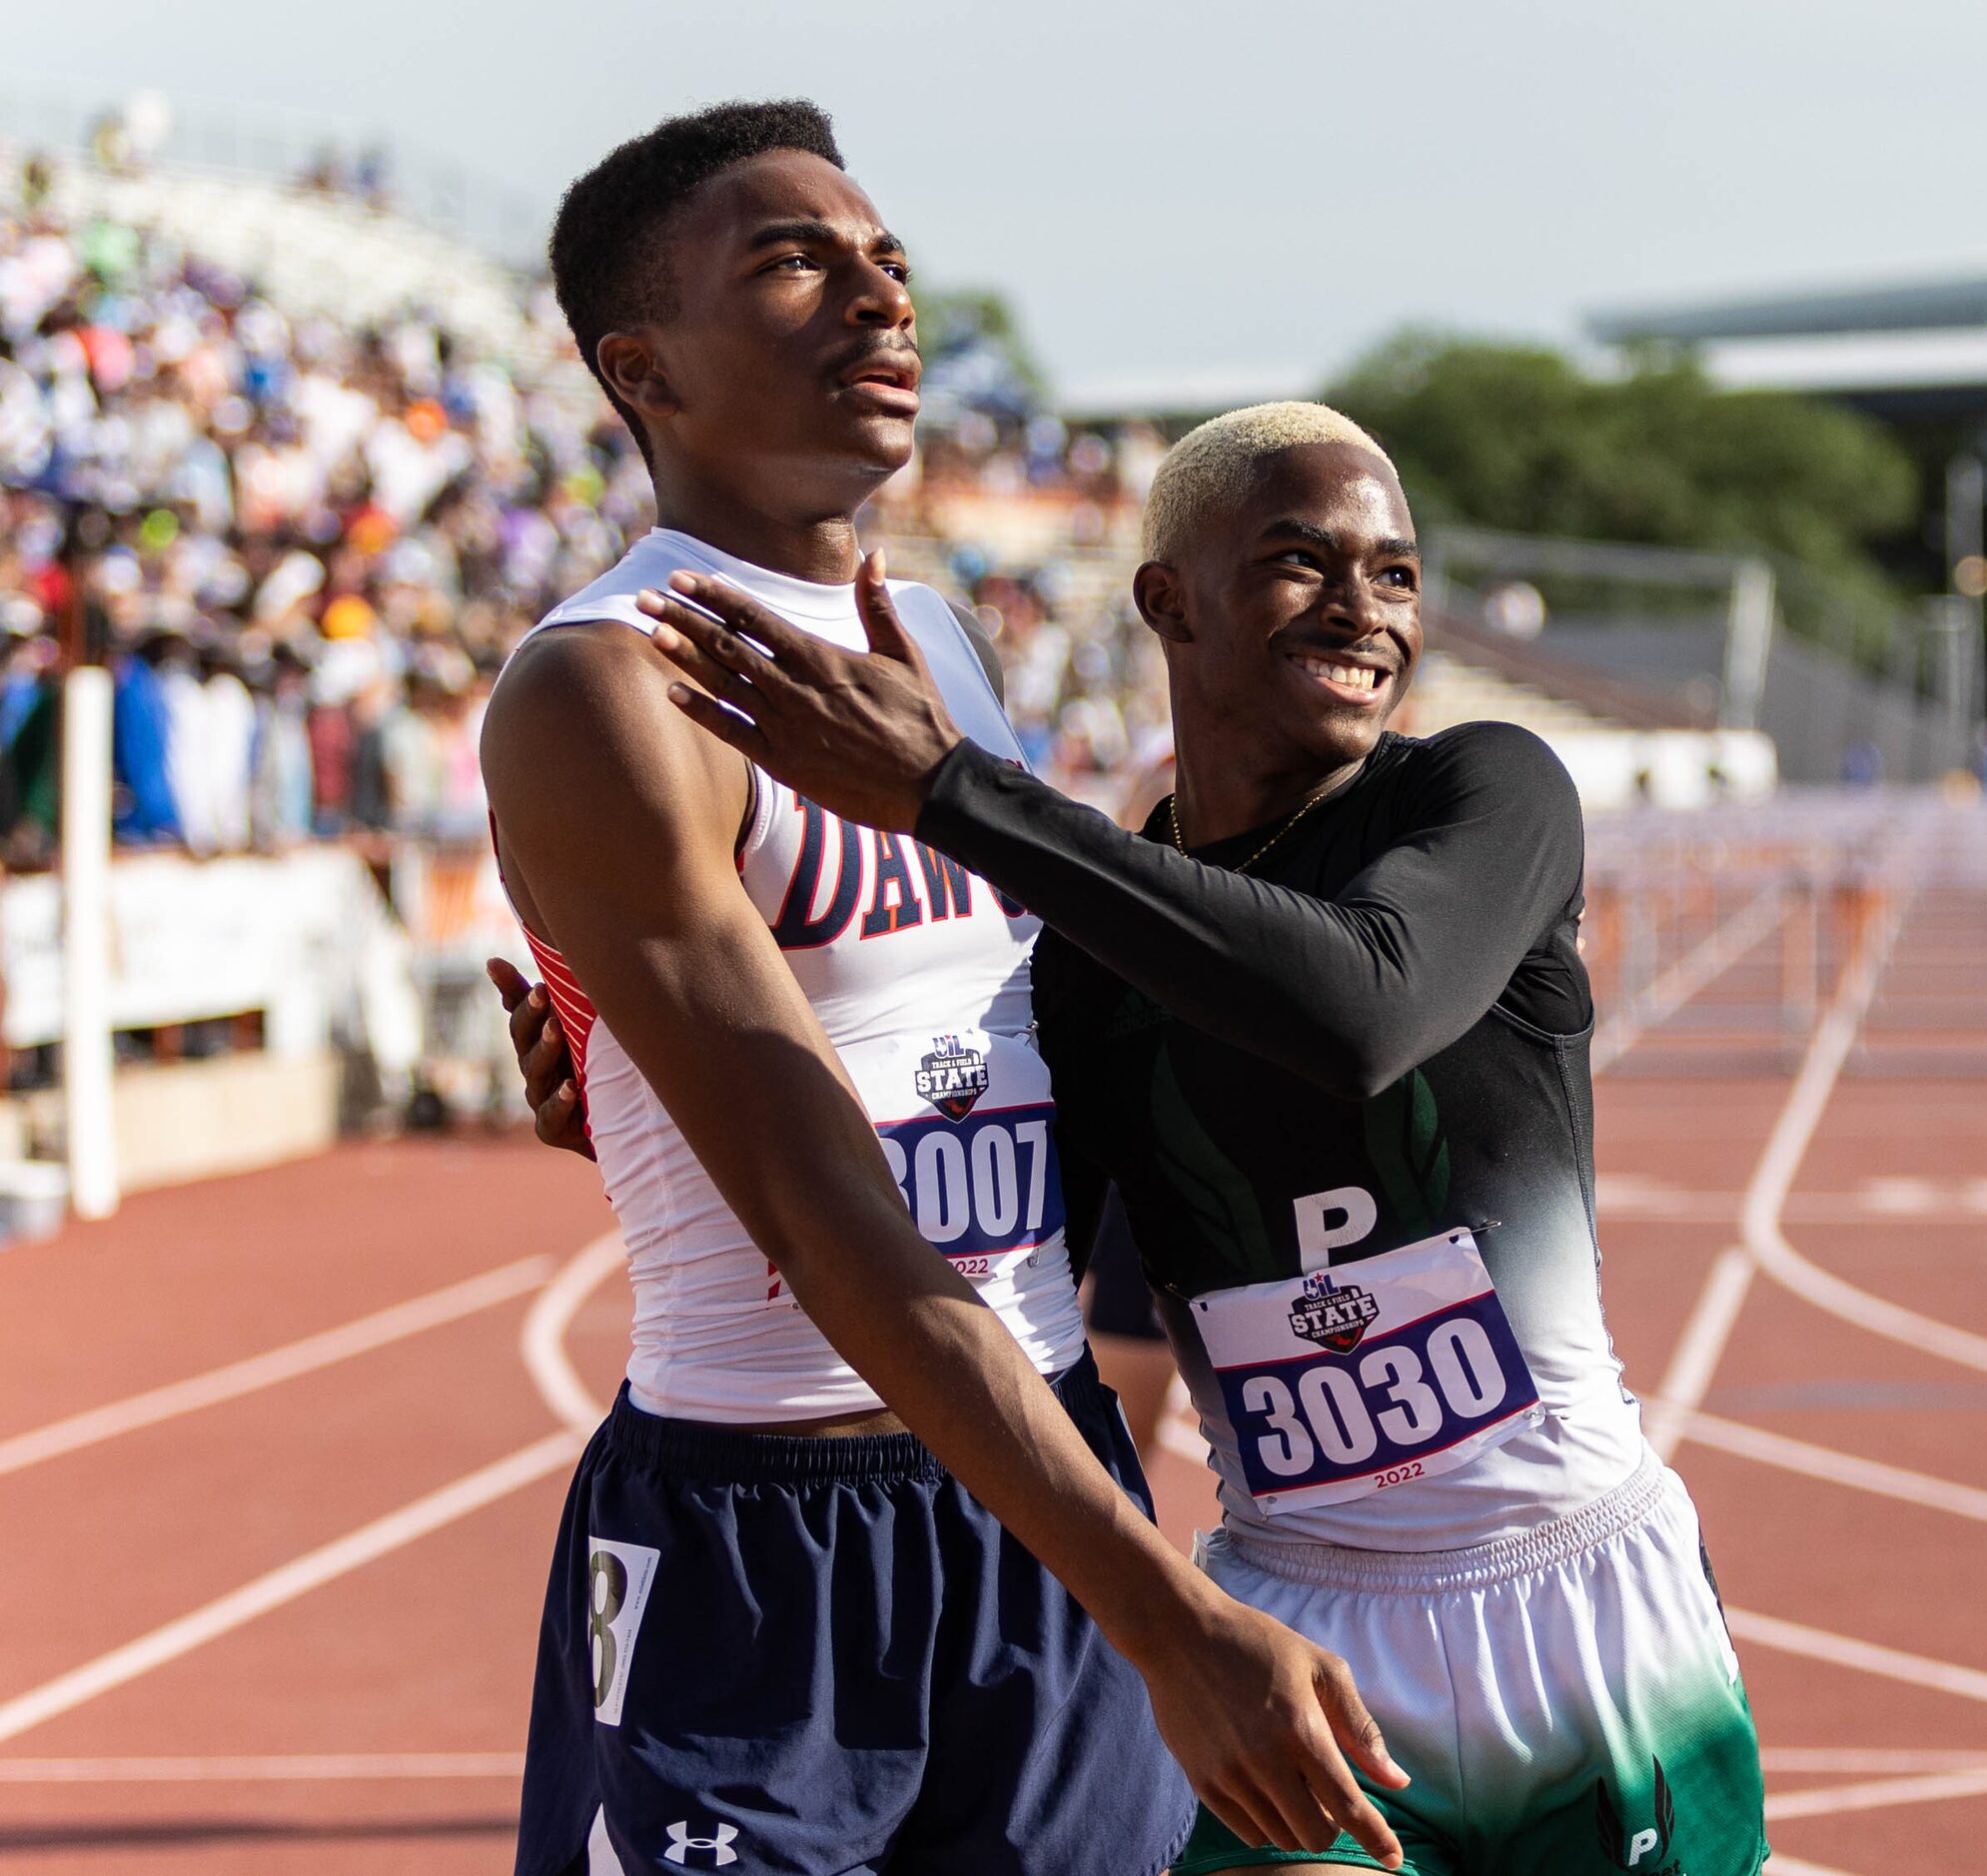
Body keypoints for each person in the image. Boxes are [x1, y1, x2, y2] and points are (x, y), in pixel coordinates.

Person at [622, 402, 1767, 1876]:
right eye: (1303, 561)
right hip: (1300, 1630)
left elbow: (1361, 1008)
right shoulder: (1091, 957)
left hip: (1581, 1613)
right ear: (1167, 598)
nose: (1365, 609)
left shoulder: (1484, 795)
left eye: (1398, 573)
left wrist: (953, 795)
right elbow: (972, 1227)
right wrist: (636, 1108)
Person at [482, 106, 1404, 1876]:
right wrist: (1166, 1608)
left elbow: (992, 1054)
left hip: (1036, 1479)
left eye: (888, 262)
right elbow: (826, 1205)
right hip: (756, 1537)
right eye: (794, 262)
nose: (879, 300)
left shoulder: (946, 651)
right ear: (640, 366)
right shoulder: (606, 688)